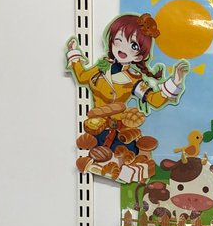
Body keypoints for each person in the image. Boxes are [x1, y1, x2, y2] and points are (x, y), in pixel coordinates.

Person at [66, 13, 187, 180]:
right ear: (111, 40)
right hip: (94, 128)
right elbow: (81, 77)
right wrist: (73, 53)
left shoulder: (133, 80)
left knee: (122, 163)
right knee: (92, 162)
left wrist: (175, 82)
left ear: (141, 55)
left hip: (117, 132)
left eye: (134, 46)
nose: (124, 48)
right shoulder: (102, 66)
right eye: (119, 39)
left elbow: (154, 100)